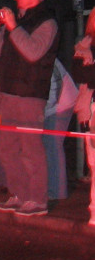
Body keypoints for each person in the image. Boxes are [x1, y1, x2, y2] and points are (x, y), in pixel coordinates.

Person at [0, 0, 59, 217]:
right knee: (7, 150)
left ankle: (37, 200)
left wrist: (13, 28)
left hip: (30, 95)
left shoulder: (47, 22)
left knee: (31, 151)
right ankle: (19, 194)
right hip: (9, 92)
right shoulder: (19, 22)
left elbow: (33, 52)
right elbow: (0, 52)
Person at [42, 58, 77, 202]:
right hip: (55, 103)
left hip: (60, 105)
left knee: (53, 146)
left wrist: (43, 113)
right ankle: (53, 188)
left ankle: (57, 191)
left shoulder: (46, 59)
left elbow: (54, 86)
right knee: (49, 146)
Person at [72, 8, 95, 225]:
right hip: (90, 109)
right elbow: (80, 73)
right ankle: (94, 210)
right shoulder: (83, 47)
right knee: (94, 163)